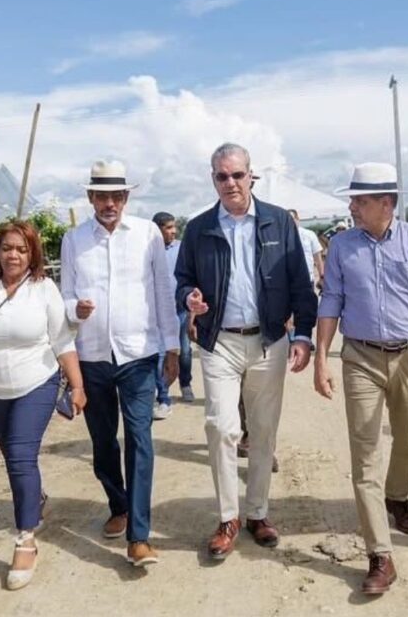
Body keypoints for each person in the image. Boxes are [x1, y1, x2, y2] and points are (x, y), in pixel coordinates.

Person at [314, 163, 408, 595]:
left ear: (386, 203)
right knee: (365, 454)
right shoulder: (342, 246)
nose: (352, 206)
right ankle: (381, 554)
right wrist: (323, 358)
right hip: (359, 356)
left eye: (360, 200)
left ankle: (397, 496)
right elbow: (331, 302)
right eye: (353, 199)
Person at [174, 142, 317, 560]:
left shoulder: (277, 222)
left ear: (250, 175)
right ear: (213, 179)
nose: (230, 183)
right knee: (220, 426)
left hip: (269, 340)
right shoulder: (199, 228)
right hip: (218, 342)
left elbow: (301, 285)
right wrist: (189, 298)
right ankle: (227, 517)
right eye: (222, 176)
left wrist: (303, 335)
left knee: (264, 430)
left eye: (237, 174)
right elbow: (182, 279)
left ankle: (257, 512)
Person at [0, 220, 85, 591]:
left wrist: (76, 384)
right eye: (7, 247)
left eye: (21, 249)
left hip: (36, 382)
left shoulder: (43, 289)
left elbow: (62, 340)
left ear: (32, 254)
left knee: (22, 456)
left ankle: (26, 538)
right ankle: (34, 496)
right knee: (12, 456)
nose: (13, 255)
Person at [60, 160, 180, 567]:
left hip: (138, 354)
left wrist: (173, 347)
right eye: (101, 196)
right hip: (92, 355)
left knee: (140, 438)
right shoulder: (74, 239)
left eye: (117, 196)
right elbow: (63, 298)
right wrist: (75, 309)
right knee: (102, 442)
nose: (109, 203)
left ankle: (139, 536)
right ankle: (119, 503)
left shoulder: (147, 234)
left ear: (127, 198)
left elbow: (164, 292)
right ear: (90, 198)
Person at [152, 211, 195, 415]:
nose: (173, 231)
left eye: (174, 227)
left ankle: (185, 384)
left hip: (181, 310)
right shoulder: (149, 250)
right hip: (159, 312)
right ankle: (163, 395)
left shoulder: (182, 249)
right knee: (160, 355)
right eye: (168, 228)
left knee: (184, 352)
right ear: (158, 229)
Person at [289, 209, 325, 289]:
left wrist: (322, 276)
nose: (290, 222)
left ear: (297, 219)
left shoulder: (309, 234)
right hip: (289, 281)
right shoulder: (282, 237)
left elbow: (318, 257)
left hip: (308, 278)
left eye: (292, 219)